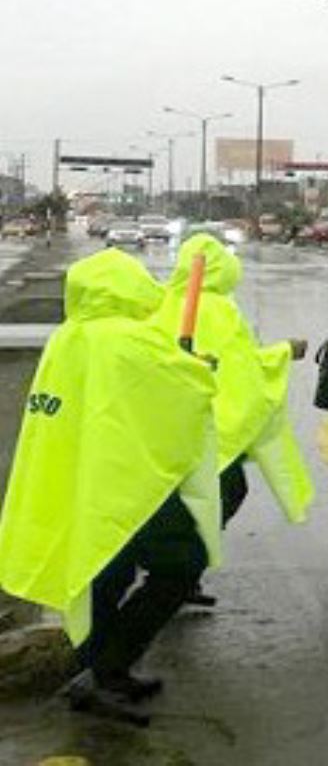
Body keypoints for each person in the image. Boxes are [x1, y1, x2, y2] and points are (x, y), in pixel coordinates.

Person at [0, 249, 221, 719]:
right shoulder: (128, 339)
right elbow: (186, 387)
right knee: (182, 565)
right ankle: (108, 666)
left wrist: (179, 367)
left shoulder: (71, 336)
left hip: (86, 477)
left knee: (104, 574)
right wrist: (199, 367)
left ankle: (104, 671)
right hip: (128, 483)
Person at [153, 234, 313, 581]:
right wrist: (284, 350)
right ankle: (177, 575)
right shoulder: (220, 311)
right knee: (224, 493)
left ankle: (177, 571)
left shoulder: (162, 303)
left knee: (174, 504)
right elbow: (244, 370)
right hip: (209, 430)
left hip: (164, 429)